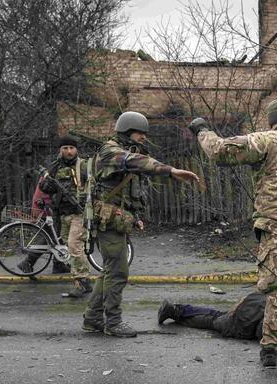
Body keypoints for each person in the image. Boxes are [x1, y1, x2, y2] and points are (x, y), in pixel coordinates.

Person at [188, 97, 277, 379]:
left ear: (272, 119)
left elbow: (220, 152)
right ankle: (269, 347)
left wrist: (202, 131)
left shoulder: (269, 140)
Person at [82, 111, 200, 337]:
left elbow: (124, 193)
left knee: (110, 270)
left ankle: (92, 318)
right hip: (108, 220)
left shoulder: (127, 153)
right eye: (140, 134)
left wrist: (135, 217)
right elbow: (133, 161)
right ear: (127, 131)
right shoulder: (110, 151)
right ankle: (113, 323)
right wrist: (171, 170)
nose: (144, 138)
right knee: (117, 272)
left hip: (117, 219)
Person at [157, 292, 277, 348]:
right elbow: (262, 329)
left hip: (261, 298)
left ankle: (178, 310)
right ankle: (175, 312)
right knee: (215, 322)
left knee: (219, 315)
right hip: (251, 317)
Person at [38, 135, 91, 298]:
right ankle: (85, 282)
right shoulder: (54, 167)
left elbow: (95, 185)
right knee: (67, 249)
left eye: (71, 148)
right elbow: (44, 188)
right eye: (65, 148)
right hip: (62, 213)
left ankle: (81, 282)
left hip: (80, 213)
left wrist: (86, 198)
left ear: (76, 150)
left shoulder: (83, 166)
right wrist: (49, 182)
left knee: (74, 246)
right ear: (60, 150)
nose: (69, 151)